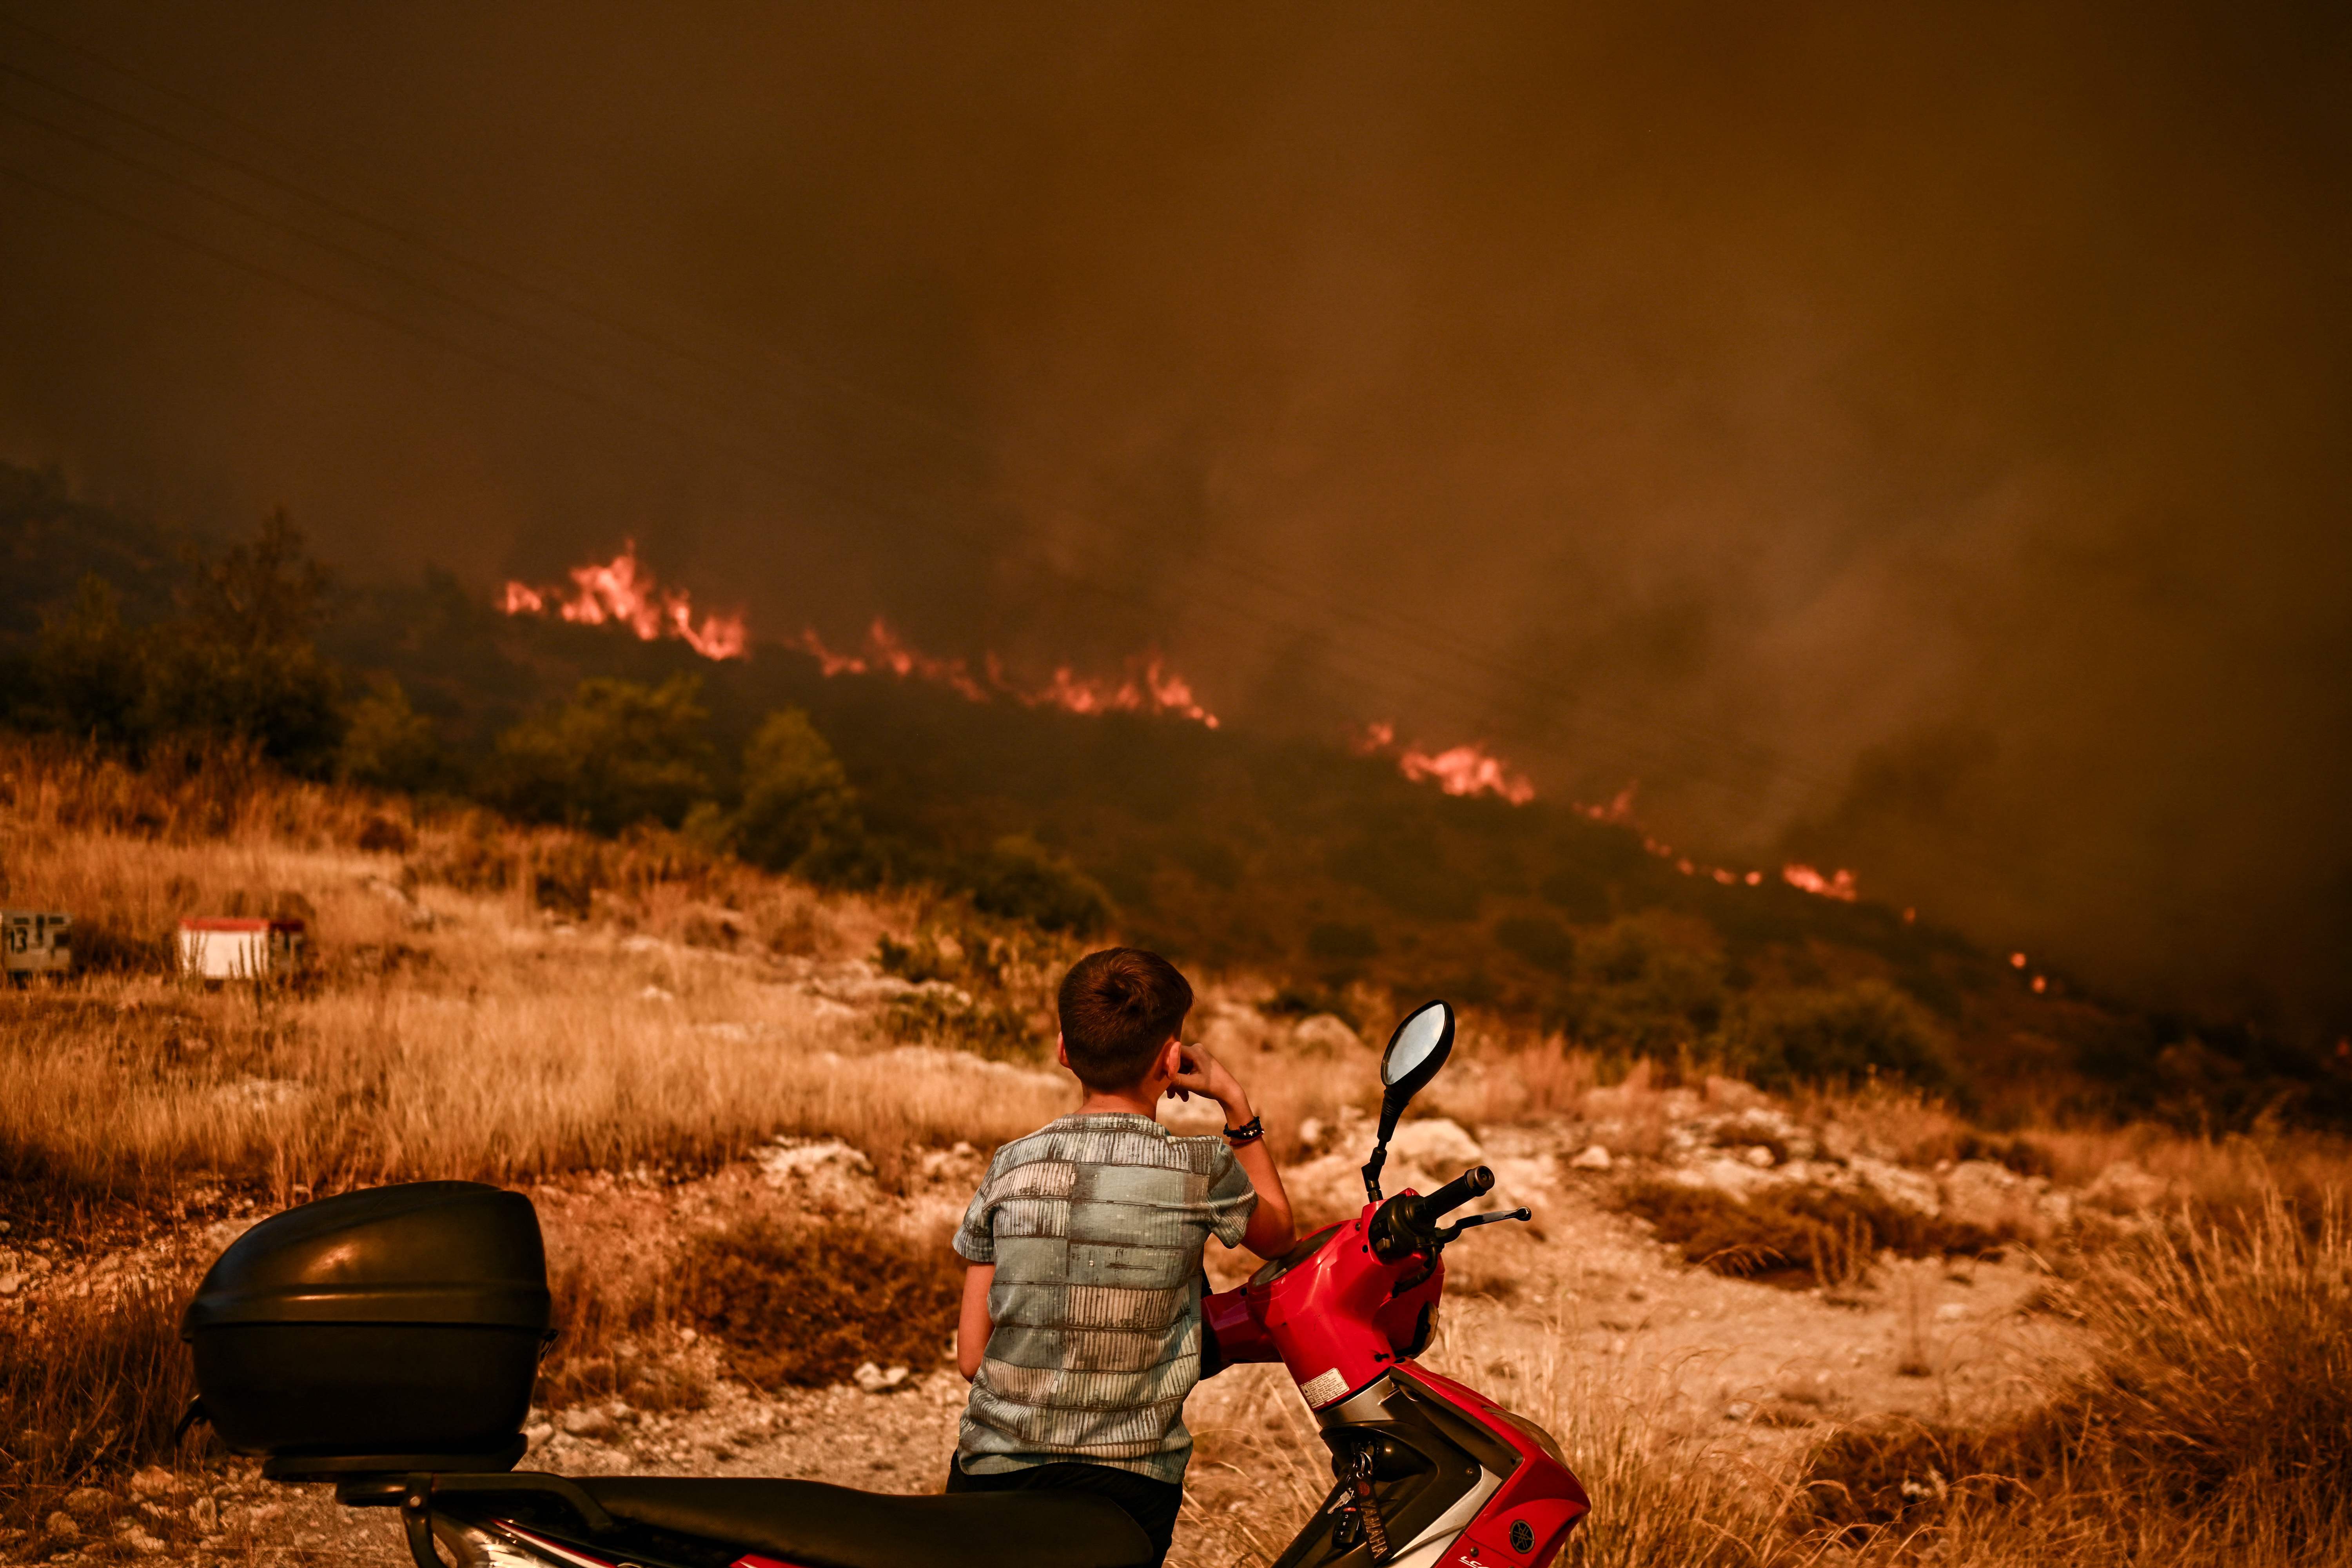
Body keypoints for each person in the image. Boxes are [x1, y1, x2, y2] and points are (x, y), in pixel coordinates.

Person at [946, 946, 1296, 1566]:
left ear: (1063, 1049)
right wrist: (1236, 1108)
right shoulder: (1200, 1168)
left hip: (990, 1475)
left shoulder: (1011, 1165)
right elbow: (1280, 1235)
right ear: (1171, 1060)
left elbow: (973, 1356)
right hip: (1129, 1488)